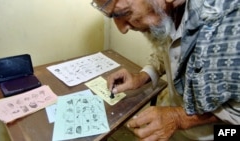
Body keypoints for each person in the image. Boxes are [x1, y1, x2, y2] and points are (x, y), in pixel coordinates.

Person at [91, 0, 240, 140]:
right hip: (176, 130)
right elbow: (170, 52)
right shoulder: (171, 13)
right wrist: (142, 76)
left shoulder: (231, 26)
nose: (122, 29)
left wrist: (179, 118)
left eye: (123, 13)